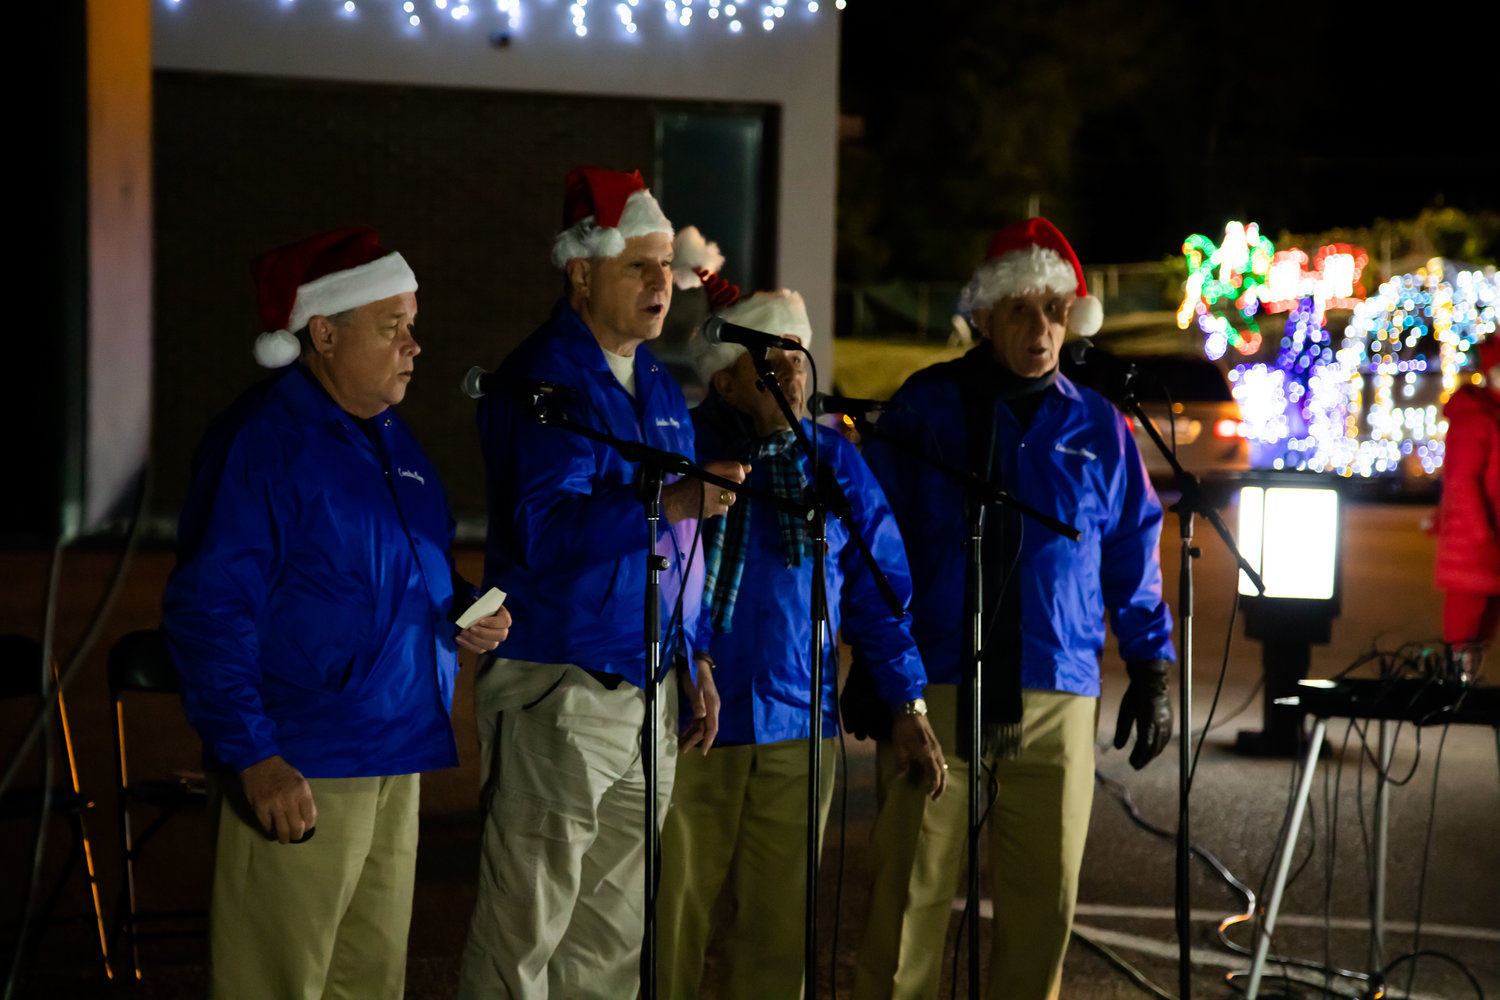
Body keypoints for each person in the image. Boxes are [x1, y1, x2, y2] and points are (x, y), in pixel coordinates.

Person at [162, 226, 510, 1000]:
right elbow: (210, 608)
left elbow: (394, 564)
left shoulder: (392, 437)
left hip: (395, 750)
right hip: (305, 759)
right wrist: (255, 757)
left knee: (370, 985)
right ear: (323, 331)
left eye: (412, 325)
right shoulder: (264, 441)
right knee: (278, 984)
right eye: (393, 327)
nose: (415, 346)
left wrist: (458, 605)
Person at [852, 218, 1176, 1000]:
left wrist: (1149, 663)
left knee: (1041, 910)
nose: (1041, 329)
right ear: (988, 315)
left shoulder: (1098, 423)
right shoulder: (928, 407)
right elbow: (867, 540)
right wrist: (879, 666)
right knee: (909, 903)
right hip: (942, 686)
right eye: (1023, 310)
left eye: (1055, 312)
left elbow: (1133, 544)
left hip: (1053, 689)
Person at [458, 167, 745, 998]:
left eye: (667, 267)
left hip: (648, 686)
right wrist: (675, 495)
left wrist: (693, 653)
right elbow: (546, 531)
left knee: (612, 943)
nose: (663, 285)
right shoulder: (542, 380)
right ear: (581, 271)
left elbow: (677, 540)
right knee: (523, 936)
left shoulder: (655, 380)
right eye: (638, 267)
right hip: (562, 685)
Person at [656, 286, 947, 1000]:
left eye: (797, 357)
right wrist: (687, 658)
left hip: (797, 727)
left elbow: (881, 590)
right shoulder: (683, 450)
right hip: (693, 721)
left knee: (779, 934)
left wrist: (906, 700)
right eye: (770, 362)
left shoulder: (834, 463)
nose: (791, 373)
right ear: (725, 380)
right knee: (671, 926)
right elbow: (655, 572)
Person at [1434, 334, 1500, 680]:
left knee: (1482, 627)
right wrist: (1483, 533)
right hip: (1475, 545)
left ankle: (1467, 689)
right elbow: (1463, 481)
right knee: (1466, 627)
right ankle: (1458, 690)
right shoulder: (1476, 417)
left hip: (1488, 541)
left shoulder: (1491, 414)